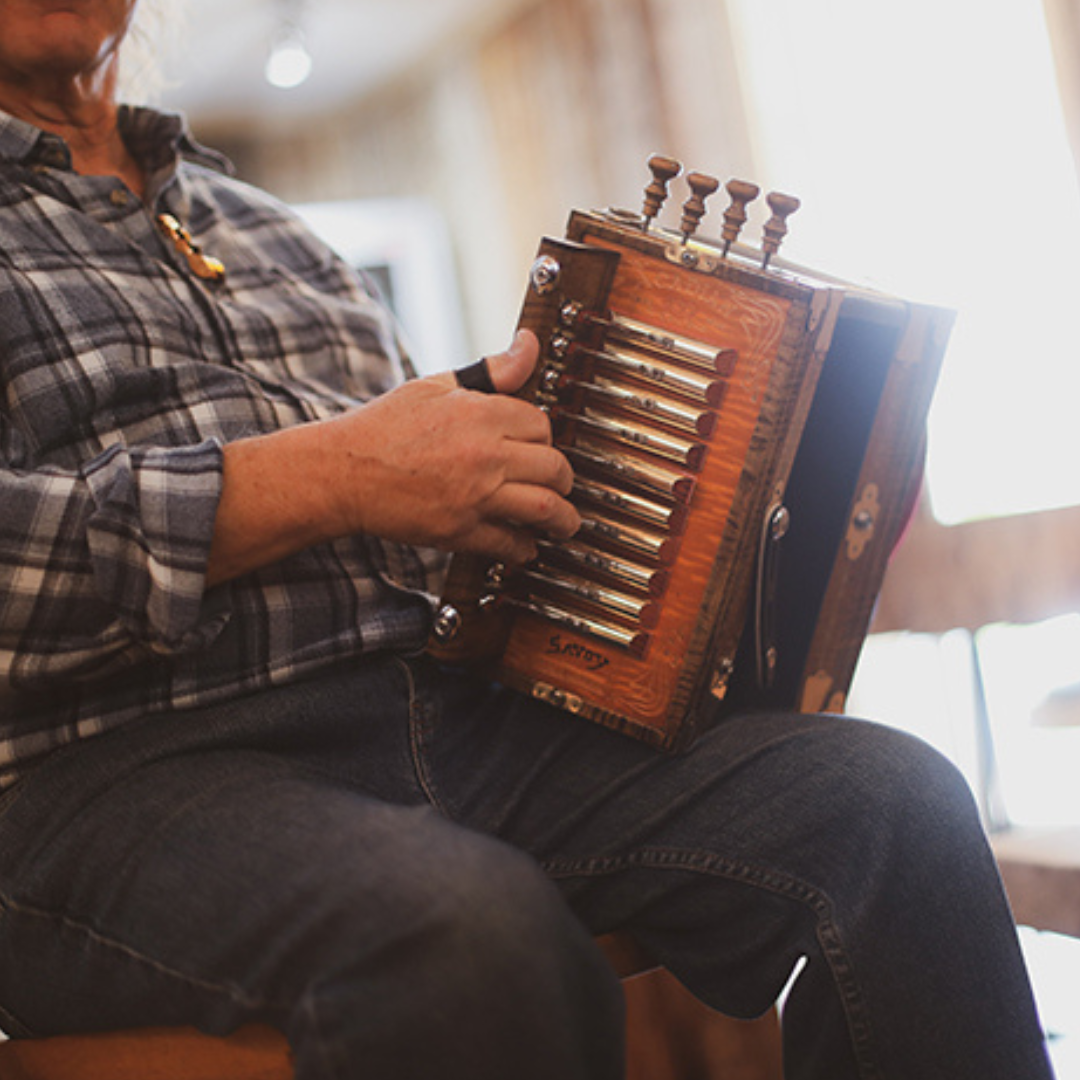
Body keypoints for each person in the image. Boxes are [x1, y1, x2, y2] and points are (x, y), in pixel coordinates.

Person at [0, 3, 1057, 1078]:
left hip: (444, 719)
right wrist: (343, 471)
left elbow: (424, 534)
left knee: (894, 807)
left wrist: (592, 479)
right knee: (467, 931)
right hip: (108, 781)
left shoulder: (274, 234)